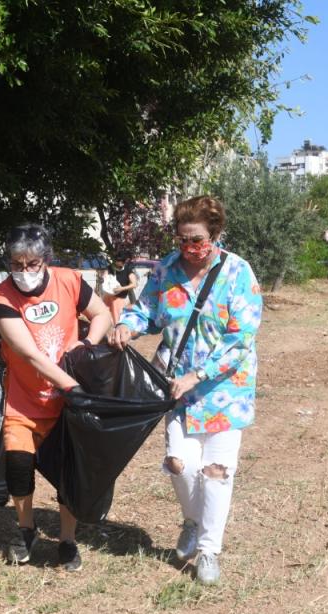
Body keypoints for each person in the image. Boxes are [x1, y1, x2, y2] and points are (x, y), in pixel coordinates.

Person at [109, 196, 262, 586]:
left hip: (226, 389)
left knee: (216, 472)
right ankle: (194, 520)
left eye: (197, 240)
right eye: (183, 240)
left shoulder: (238, 273)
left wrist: (199, 374)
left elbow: (241, 337)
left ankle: (209, 550)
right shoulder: (166, 270)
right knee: (180, 463)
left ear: (216, 234)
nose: (190, 249)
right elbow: (146, 312)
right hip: (177, 390)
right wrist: (128, 325)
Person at [0, 224, 112, 571]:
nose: (24, 272)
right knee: (18, 465)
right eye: (16, 264)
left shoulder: (69, 281)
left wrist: (87, 343)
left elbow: (101, 314)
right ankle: (26, 530)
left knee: (68, 474)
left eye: (32, 264)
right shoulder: (1, 299)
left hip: (65, 408)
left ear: (46, 260)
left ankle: (68, 541)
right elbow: (30, 356)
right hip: (24, 400)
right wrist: (73, 386)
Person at [107, 256, 138, 323]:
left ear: (123, 262)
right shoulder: (111, 267)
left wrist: (122, 288)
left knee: (118, 320)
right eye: (116, 263)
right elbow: (106, 276)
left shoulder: (128, 269)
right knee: (106, 317)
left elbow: (134, 284)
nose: (117, 265)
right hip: (108, 296)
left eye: (119, 264)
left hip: (119, 298)